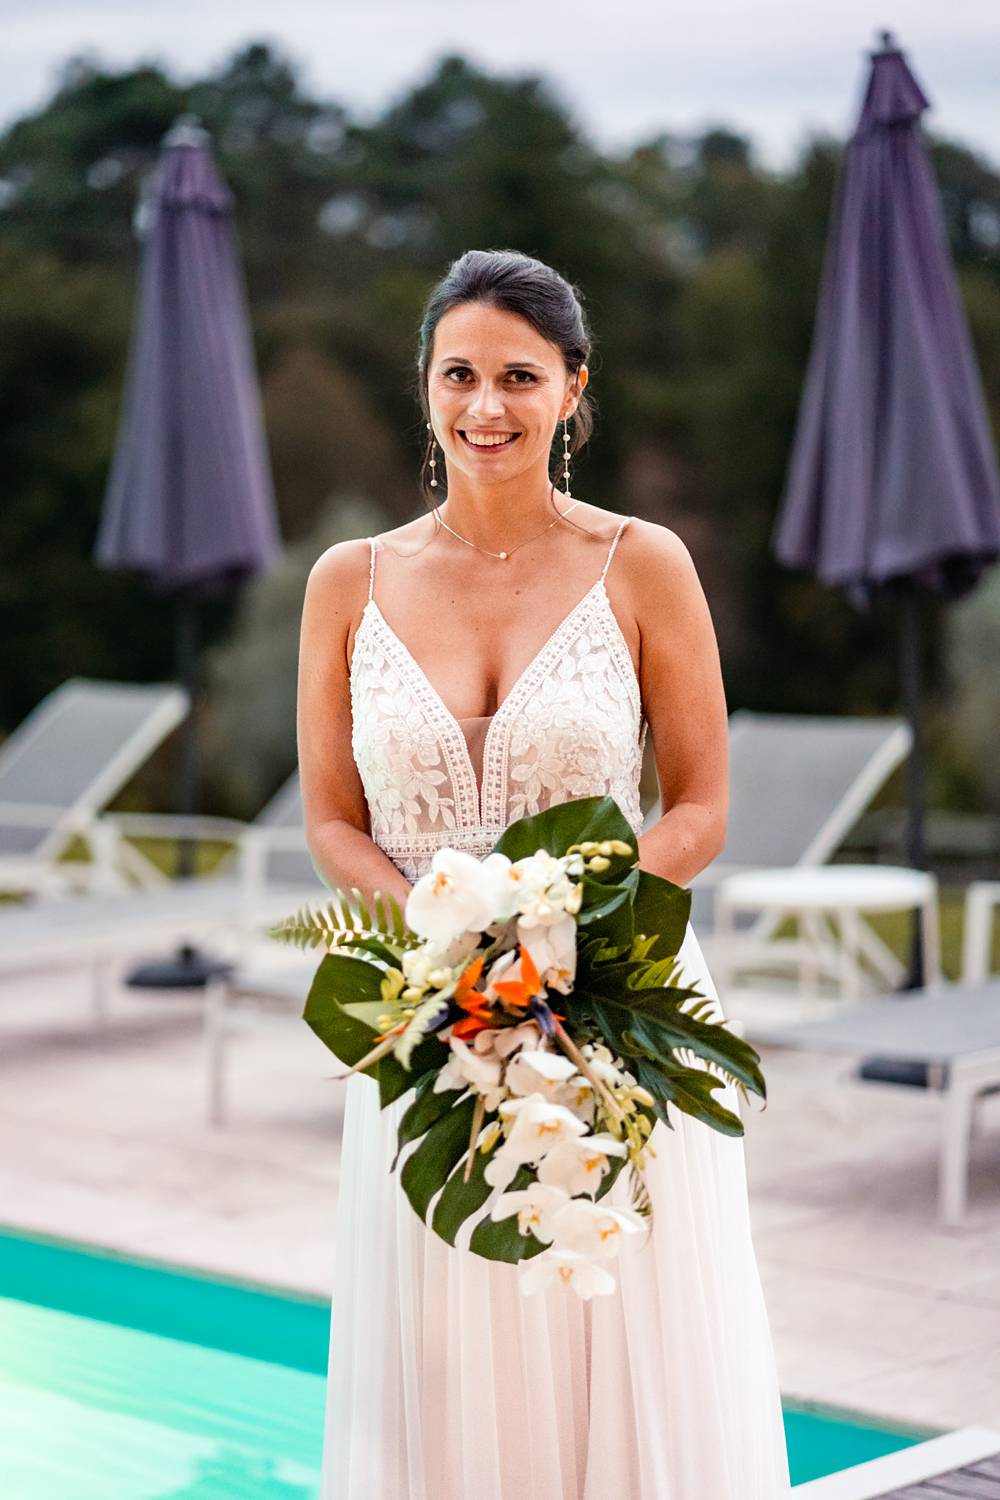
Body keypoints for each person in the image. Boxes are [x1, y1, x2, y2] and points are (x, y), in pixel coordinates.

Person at [297, 248, 792, 1499]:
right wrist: (449, 947)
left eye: (520, 376)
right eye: (459, 373)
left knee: (612, 1334)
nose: (486, 406)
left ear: (574, 389)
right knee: (451, 1338)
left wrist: (561, 936)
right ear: (424, 388)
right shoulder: (346, 582)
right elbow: (331, 821)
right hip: (431, 1010)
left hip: (614, 1003)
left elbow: (700, 806)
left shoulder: (644, 563)